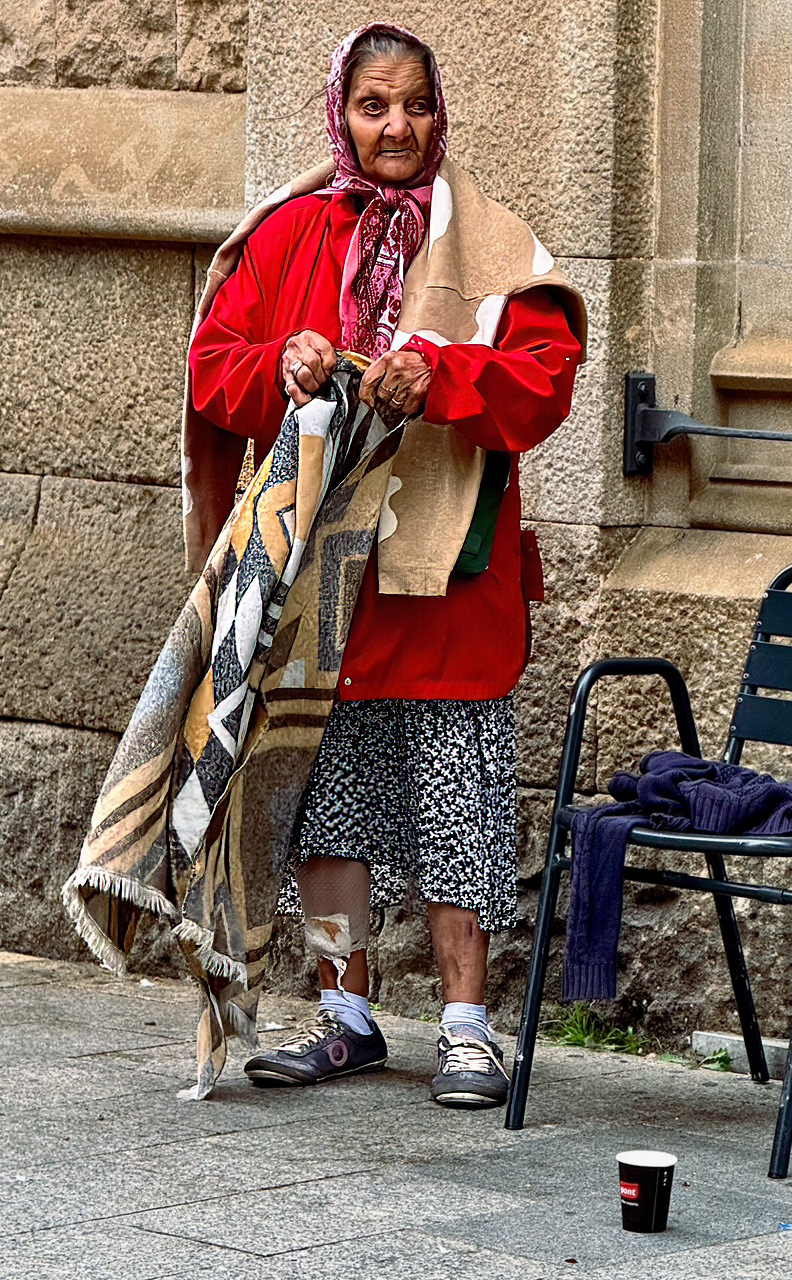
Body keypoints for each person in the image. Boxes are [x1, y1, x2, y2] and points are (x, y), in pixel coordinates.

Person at [185, 22, 585, 1109]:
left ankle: (464, 1027)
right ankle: (344, 1011)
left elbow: (544, 381)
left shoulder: (494, 244)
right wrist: (282, 360)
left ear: (437, 111)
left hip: (445, 585)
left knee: (458, 802)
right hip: (321, 582)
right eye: (372, 106)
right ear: (342, 114)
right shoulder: (284, 241)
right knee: (329, 807)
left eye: (412, 105)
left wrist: (442, 373)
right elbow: (212, 366)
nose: (395, 127)